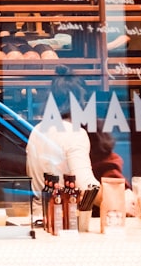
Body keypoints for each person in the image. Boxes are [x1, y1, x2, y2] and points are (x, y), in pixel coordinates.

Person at [25, 65, 101, 220]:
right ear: (79, 102)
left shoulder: (37, 130)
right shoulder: (75, 134)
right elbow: (86, 186)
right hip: (65, 220)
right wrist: (118, 197)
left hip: (39, 217)